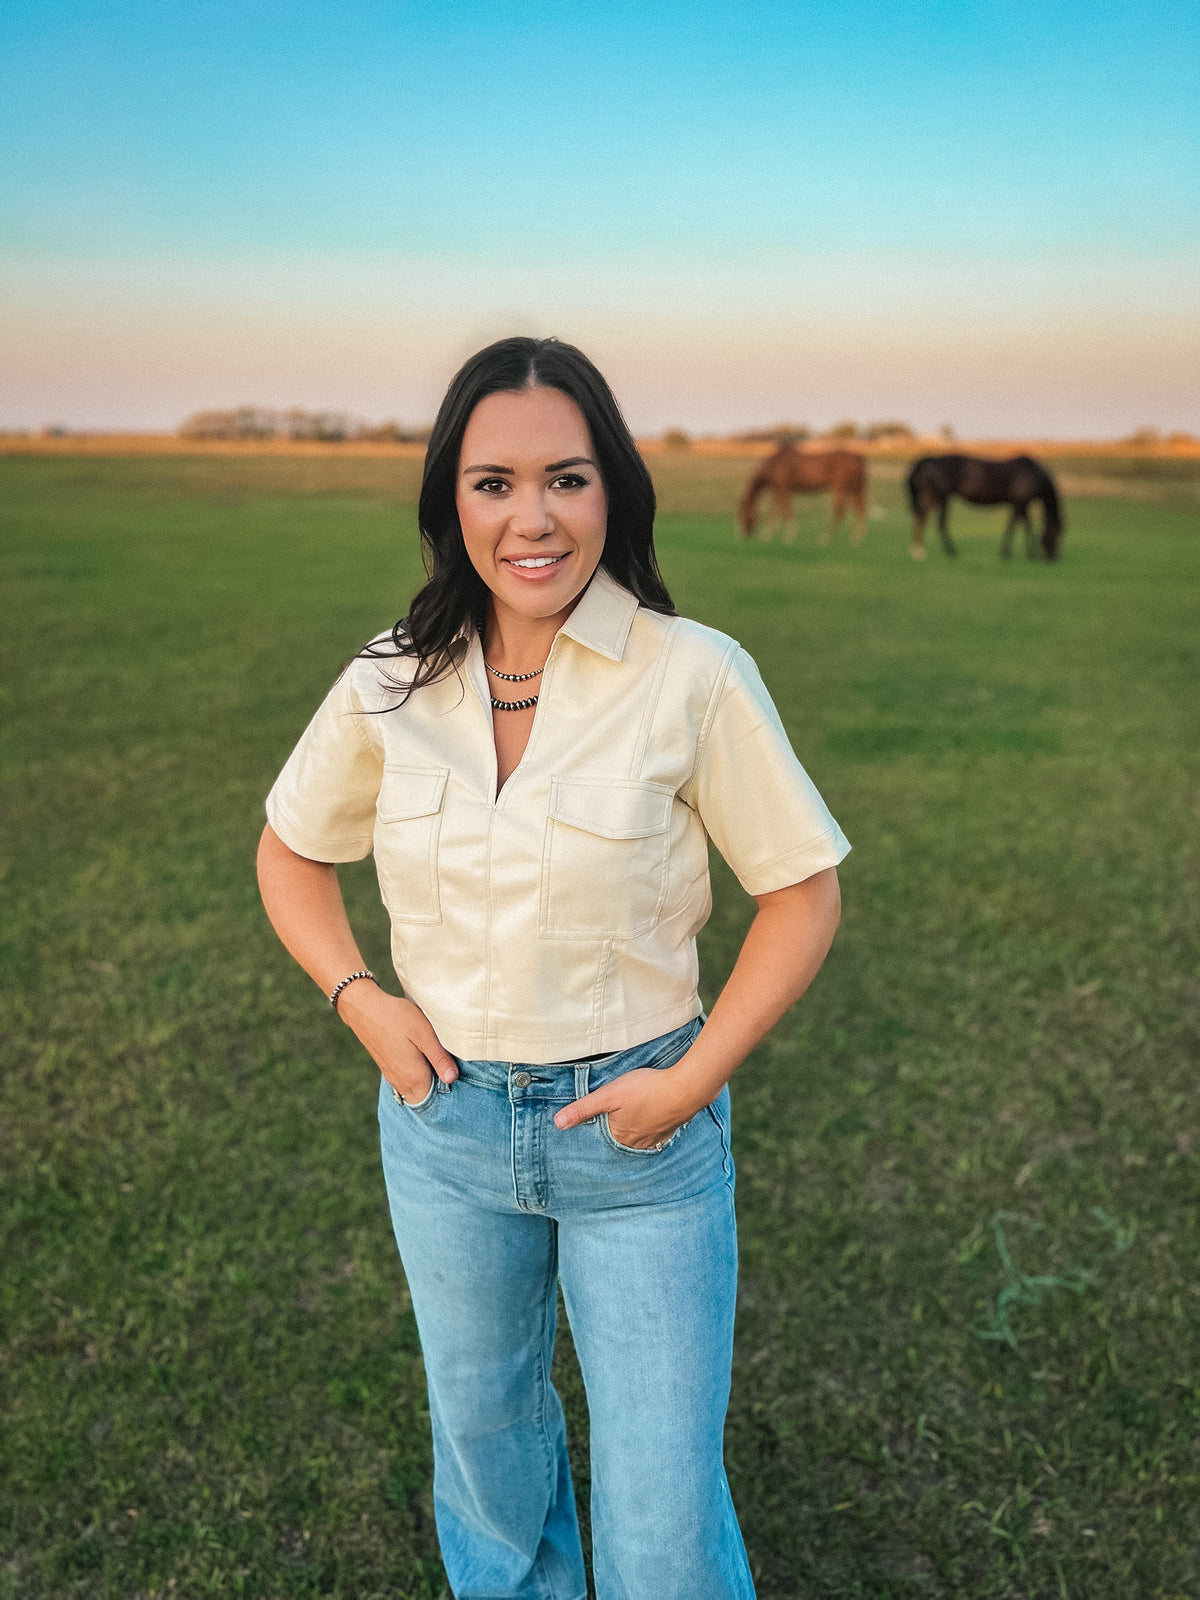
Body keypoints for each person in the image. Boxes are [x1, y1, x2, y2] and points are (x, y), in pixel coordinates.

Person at [256, 336, 849, 1600]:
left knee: (658, 1511)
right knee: (486, 1458)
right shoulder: (388, 679)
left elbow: (801, 894)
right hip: (444, 1128)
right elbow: (289, 851)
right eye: (494, 483)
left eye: (567, 479)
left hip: (639, 1136)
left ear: (614, 493)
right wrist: (361, 999)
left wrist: (694, 1079)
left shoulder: (695, 675)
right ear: (450, 501)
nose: (533, 517)